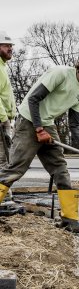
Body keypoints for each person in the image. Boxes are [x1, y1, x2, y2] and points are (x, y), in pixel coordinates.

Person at [0, 51, 79, 232]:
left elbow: (75, 126)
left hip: (47, 124)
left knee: (60, 169)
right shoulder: (61, 73)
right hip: (29, 120)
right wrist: (38, 129)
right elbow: (33, 99)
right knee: (16, 168)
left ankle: (69, 220)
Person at [0, 31, 16, 203]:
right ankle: (3, 198)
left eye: (11, 46)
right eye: (6, 45)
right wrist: (4, 118)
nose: (10, 48)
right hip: (0, 119)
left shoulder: (3, 66)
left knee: (5, 158)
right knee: (3, 159)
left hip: (4, 119)